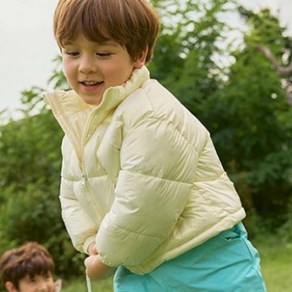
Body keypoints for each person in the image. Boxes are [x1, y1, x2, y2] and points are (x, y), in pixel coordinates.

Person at [44, 0, 267, 290]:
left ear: (139, 55)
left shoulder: (152, 114)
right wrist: (91, 244)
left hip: (203, 260)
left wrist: (106, 259)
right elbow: (72, 194)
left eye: (102, 53)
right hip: (138, 263)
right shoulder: (81, 127)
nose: (85, 66)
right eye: (72, 52)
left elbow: (144, 206)